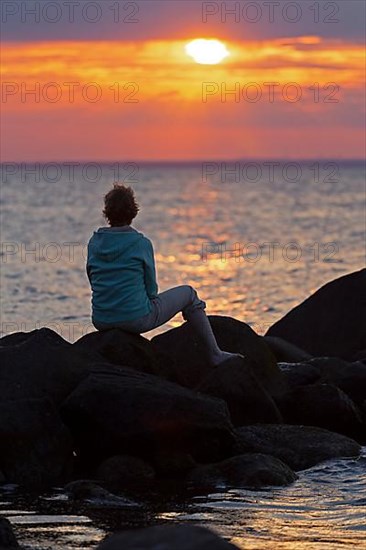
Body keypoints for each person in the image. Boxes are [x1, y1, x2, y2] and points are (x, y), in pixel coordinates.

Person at [86, 184, 243, 367]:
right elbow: (151, 289)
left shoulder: (94, 242)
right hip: (136, 320)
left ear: (107, 213)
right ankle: (215, 354)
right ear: (133, 211)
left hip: (101, 319)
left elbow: (92, 278)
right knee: (189, 294)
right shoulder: (140, 243)